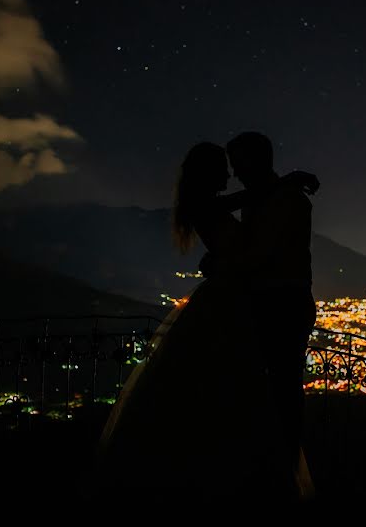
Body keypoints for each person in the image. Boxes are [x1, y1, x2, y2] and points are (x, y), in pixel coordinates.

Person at [93, 141, 318, 506]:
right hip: (227, 300)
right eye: (222, 168)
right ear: (207, 172)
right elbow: (243, 242)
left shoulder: (205, 203)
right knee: (230, 381)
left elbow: (242, 211)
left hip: (227, 298)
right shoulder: (209, 204)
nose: (229, 175)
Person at [224, 131, 317, 501]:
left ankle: (283, 478)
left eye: (238, 164)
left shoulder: (286, 200)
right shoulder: (270, 196)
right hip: (274, 305)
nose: (234, 173)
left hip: (282, 306)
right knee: (277, 392)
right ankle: (275, 473)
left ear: (255, 161)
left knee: (282, 392)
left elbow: (263, 253)